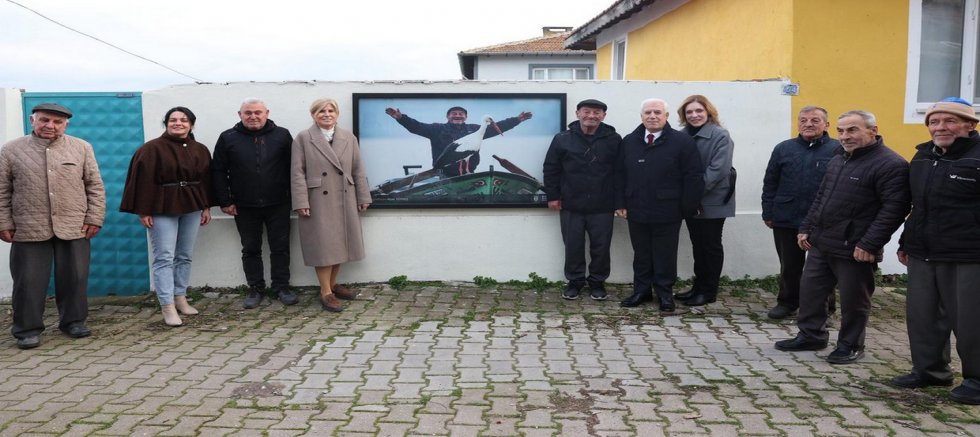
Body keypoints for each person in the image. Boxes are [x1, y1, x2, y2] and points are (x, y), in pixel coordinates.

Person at [774, 110, 909, 364]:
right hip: (822, 241)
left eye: (852, 130)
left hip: (856, 247)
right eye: (841, 131)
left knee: (853, 301)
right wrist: (807, 227)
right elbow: (822, 197)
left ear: (873, 130)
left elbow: (894, 209)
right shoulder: (839, 158)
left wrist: (870, 243)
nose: (845, 136)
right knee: (811, 291)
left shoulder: (891, 164)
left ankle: (851, 345)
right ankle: (811, 335)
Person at [892, 98, 980, 404]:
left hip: (968, 255)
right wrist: (905, 241)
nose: (940, 127)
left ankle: (977, 379)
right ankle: (930, 371)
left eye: (950, 121)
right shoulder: (921, 158)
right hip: (923, 251)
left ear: (970, 125)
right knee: (923, 315)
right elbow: (919, 206)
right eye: (934, 122)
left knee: (971, 320)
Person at [0, 103, 105, 349]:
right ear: (32, 120)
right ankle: (26, 330)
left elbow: (95, 186)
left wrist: (94, 217)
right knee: (28, 281)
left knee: (75, 277)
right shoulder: (10, 150)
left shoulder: (81, 148)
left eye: (57, 122)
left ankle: (74, 322)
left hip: (74, 223)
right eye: (45, 120)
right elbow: (2, 191)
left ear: (65, 125)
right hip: (28, 225)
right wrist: (4, 221)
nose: (50, 126)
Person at [120, 106, 215, 327]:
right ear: (166, 123)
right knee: (164, 257)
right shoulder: (151, 149)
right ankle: (167, 305)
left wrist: (206, 206)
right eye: (173, 120)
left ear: (191, 124)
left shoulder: (199, 149)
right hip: (161, 207)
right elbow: (141, 180)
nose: (178, 123)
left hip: (191, 206)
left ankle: (180, 297)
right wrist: (143, 210)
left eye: (183, 120)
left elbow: (206, 180)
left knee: (184, 255)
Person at [617, 98, 703, 312]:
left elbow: (693, 177)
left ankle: (665, 294)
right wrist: (620, 202)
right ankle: (642, 291)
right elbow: (619, 175)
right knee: (642, 253)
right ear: (641, 117)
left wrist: (688, 207)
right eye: (648, 112)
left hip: (668, 209)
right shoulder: (629, 141)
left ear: (666, 116)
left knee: (665, 254)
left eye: (657, 112)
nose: (652, 116)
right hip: (636, 207)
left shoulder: (682, 142)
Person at [212, 98, 297, 309]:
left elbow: (295, 168)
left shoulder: (282, 135)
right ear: (239, 115)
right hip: (244, 205)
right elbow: (218, 171)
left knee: (280, 247)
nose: (253, 116)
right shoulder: (228, 137)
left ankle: (281, 287)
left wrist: (295, 198)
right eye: (248, 113)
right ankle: (255, 288)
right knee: (250, 248)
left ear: (267, 113)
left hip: (278, 202)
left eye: (258, 112)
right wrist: (225, 200)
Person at [292, 98, 371, 312]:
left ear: (337, 114)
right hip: (317, 198)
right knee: (324, 246)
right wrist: (301, 201)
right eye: (321, 111)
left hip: (345, 195)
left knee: (340, 243)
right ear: (313, 115)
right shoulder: (304, 138)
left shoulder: (348, 137)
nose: (326, 114)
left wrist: (363, 196)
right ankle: (325, 291)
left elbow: (358, 168)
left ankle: (334, 285)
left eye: (330, 110)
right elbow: (297, 172)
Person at [761, 106, 840, 320]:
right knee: (789, 266)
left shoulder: (838, 149)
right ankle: (787, 302)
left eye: (815, 120)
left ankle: (825, 307)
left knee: (823, 267)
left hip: (822, 220)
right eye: (803, 120)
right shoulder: (783, 149)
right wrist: (768, 211)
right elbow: (770, 182)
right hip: (786, 217)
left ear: (827, 125)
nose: (808, 124)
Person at [542, 99, 622, 301]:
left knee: (601, 247)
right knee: (573, 245)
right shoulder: (562, 139)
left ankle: (597, 282)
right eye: (587, 111)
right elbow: (551, 168)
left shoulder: (614, 139)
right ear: (578, 113)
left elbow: (622, 172)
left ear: (604, 116)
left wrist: (620, 202)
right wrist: (553, 196)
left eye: (597, 112)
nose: (591, 116)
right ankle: (575, 282)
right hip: (570, 204)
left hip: (603, 204)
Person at [673, 95, 735, 307]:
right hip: (690, 202)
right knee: (697, 246)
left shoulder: (720, 135)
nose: (694, 115)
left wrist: (692, 193)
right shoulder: (681, 136)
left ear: (708, 112)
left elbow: (718, 171)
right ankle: (698, 287)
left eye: (699, 111)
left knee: (710, 246)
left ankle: (708, 291)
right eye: (689, 112)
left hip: (713, 201)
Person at [384, 105, 532, 176]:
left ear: (465, 117)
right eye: (454, 113)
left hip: (468, 173)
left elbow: (496, 127)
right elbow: (416, 127)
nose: (458, 115)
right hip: (443, 174)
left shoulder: (475, 130)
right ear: (448, 117)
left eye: (461, 114)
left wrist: (517, 120)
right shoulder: (436, 129)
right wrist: (401, 118)